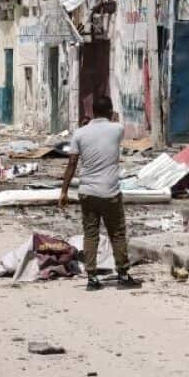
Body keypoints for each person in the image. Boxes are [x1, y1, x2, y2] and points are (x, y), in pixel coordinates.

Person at [59, 95, 140, 291]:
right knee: (117, 233)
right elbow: (114, 128)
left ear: (92, 111)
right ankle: (122, 273)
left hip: (87, 191)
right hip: (110, 192)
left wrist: (64, 191)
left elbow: (72, 163)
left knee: (90, 234)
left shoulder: (79, 134)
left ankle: (92, 278)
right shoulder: (117, 129)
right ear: (111, 111)